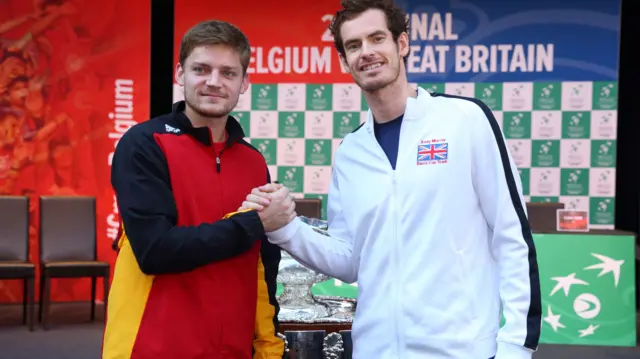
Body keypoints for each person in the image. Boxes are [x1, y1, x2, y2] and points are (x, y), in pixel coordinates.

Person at [240, 0, 542, 358]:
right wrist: (285, 228)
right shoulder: (351, 151)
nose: (366, 52)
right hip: (375, 349)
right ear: (344, 60)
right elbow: (349, 260)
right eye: (353, 45)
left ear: (402, 44)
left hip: (462, 349)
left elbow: (511, 235)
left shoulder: (465, 120)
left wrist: (515, 346)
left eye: (376, 38)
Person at [102, 20, 292, 359]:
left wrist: (268, 345)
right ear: (180, 74)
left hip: (232, 349)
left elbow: (263, 265)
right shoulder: (144, 144)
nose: (214, 82)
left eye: (228, 73)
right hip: (153, 347)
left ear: (244, 82)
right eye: (201, 69)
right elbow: (155, 251)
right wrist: (252, 223)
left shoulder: (252, 161)